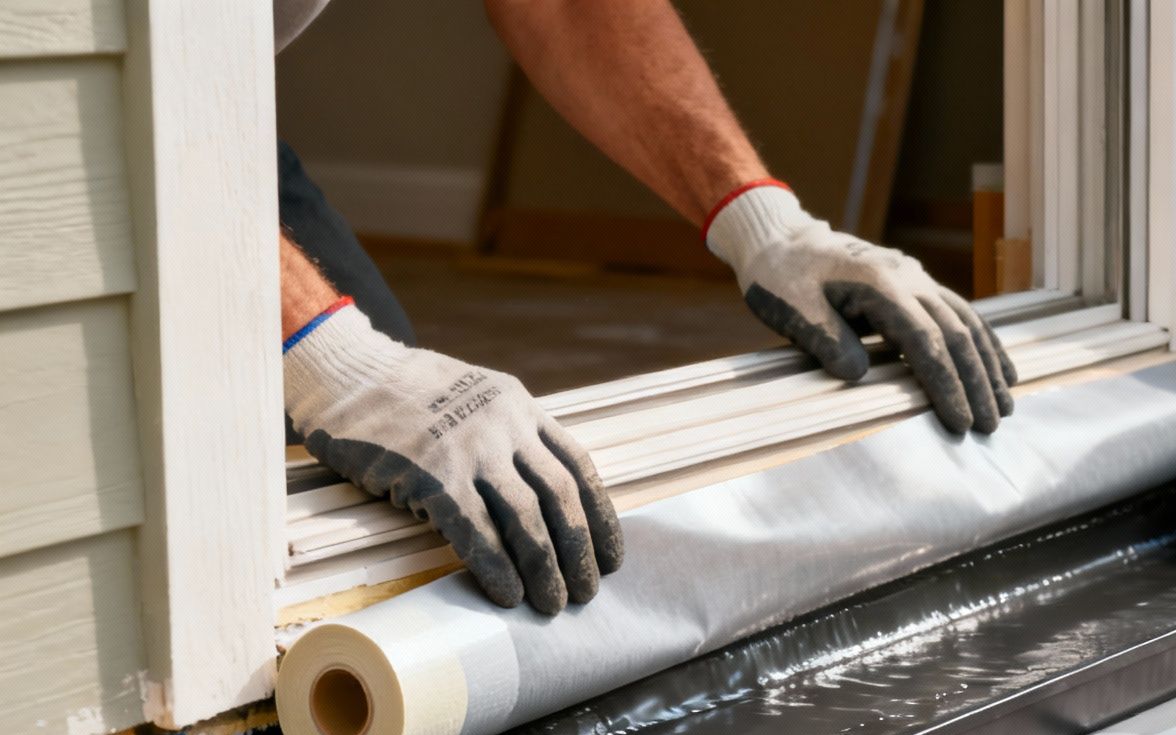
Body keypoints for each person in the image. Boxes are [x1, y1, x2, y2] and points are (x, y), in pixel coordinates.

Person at [276, 0, 1017, 615]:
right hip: (160, 102)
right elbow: (157, 99)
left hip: (225, 99)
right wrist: (336, 360)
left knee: (418, 510)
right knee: (308, 463)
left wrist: (764, 224)